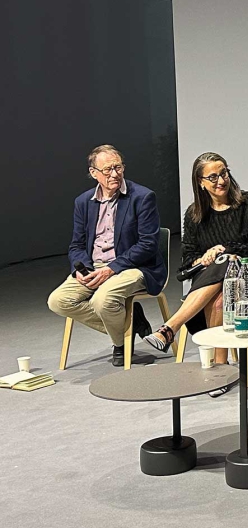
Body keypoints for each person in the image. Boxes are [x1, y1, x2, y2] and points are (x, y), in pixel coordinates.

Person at [144, 152, 248, 397]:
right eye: (212, 177)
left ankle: (170, 328)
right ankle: (220, 368)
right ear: (200, 183)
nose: (220, 180)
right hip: (214, 284)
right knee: (222, 293)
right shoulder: (194, 214)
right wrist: (202, 259)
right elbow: (186, 265)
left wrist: (227, 250)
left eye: (223, 173)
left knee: (226, 261)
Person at [48, 144, 166, 366]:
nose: (115, 174)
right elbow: (76, 245)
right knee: (58, 301)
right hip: (94, 267)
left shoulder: (142, 197)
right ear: (94, 173)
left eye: (118, 167)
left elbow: (148, 244)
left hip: (134, 267)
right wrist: (80, 269)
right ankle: (129, 325)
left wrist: (111, 269)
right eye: (108, 170)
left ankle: (120, 346)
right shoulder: (83, 202)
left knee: (104, 300)